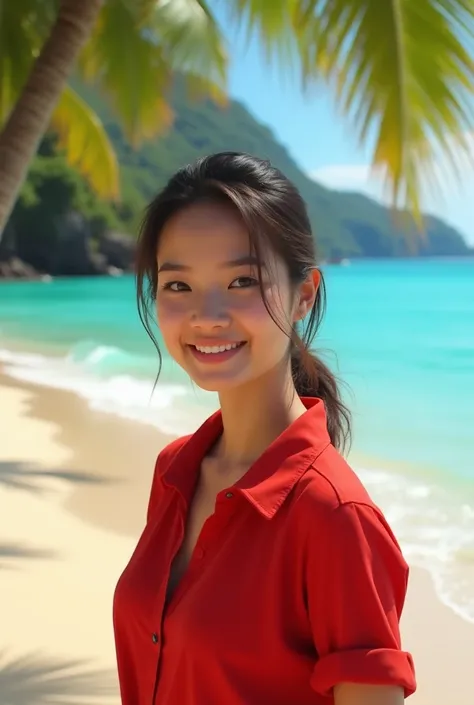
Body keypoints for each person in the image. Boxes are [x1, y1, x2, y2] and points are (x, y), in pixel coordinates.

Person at [112, 152, 416, 705]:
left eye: (242, 280)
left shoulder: (334, 516)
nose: (207, 315)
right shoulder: (174, 471)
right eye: (178, 286)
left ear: (305, 294)